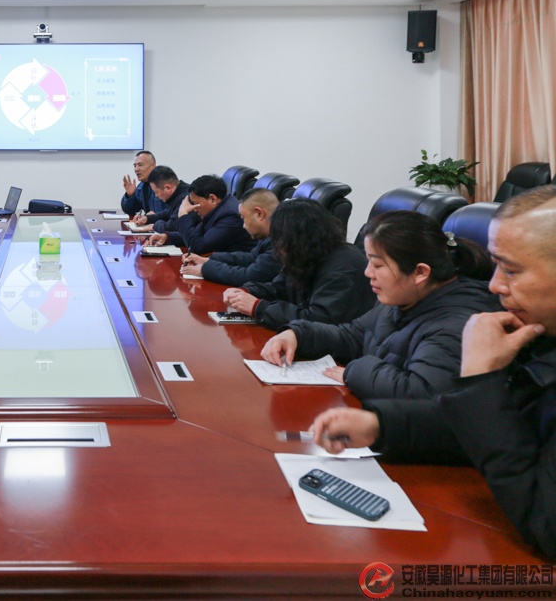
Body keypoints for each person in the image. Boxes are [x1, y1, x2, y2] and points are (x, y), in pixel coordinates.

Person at [308, 186, 556, 559]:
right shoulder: (538, 335)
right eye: (496, 266)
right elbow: (498, 426)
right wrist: (383, 426)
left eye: (511, 270)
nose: (495, 285)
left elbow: (546, 525)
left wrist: (480, 380)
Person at [260, 210, 498, 400]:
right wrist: (298, 334)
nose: (367, 273)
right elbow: (352, 335)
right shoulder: (402, 299)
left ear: (420, 272)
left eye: (377, 265)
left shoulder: (456, 324)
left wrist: (353, 372)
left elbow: (420, 391)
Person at [224, 198, 374, 329]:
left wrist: (258, 307)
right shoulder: (309, 253)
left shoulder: (344, 267)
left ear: (297, 238)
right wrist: (247, 291)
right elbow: (281, 288)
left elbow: (318, 320)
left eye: (281, 240)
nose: (278, 247)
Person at [180, 188, 282, 285]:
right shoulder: (269, 235)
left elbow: (249, 276)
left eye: (244, 218)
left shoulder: (281, 242)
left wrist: (205, 269)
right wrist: (208, 260)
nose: (243, 226)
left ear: (259, 213)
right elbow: (250, 258)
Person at [143, 175, 255, 255]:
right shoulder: (219, 208)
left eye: (196, 203)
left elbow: (197, 246)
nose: (194, 208)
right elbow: (198, 234)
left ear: (212, 199)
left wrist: (183, 215)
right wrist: (167, 237)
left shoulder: (229, 216)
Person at [134, 166, 190, 233]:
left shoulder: (185, 198)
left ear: (168, 188)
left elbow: (171, 226)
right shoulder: (178, 192)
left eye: (156, 192)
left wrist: (155, 226)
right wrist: (147, 218)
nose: (156, 195)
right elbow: (167, 213)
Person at [121, 150, 166, 217]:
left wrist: (155, 217)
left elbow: (172, 213)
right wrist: (130, 196)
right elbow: (129, 210)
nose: (136, 169)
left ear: (153, 166)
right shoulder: (141, 187)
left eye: (140, 165)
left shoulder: (164, 184)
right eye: (135, 166)